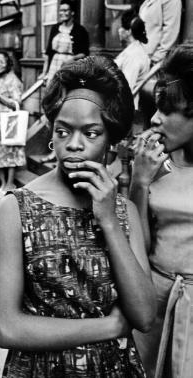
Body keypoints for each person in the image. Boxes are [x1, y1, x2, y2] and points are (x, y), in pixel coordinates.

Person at [0, 55, 156, 377]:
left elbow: (145, 315)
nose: (74, 145)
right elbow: (8, 328)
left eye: (91, 133)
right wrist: (110, 326)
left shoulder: (124, 212)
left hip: (114, 368)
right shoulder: (16, 208)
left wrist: (108, 220)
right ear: (51, 135)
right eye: (63, 131)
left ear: (111, 140)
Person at [129, 44, 193, 378]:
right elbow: (139, 243)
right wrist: (139, 182)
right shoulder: (156, 164)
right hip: (153, 300)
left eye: (168, 110)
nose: (156, 118)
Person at [39, 0, 89, 163]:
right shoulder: (55, 28)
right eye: (61, 11)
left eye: (66, 11)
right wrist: (45, 73)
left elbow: (84, 54)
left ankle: (63, 151)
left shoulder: (80, 30)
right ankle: (53, 150)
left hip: (71, 69)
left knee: (64, 108)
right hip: (55, 67)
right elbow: (48, 53)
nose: (63, 14)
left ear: (72, 13)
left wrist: (70, 60)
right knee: (51, 109)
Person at [0, 50, 26, 194]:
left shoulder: (13, 80)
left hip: (8, 122)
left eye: (1, 61)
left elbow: (17, 103)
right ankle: (3, 183)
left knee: (9, 153)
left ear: (8, 64)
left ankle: (10, 183)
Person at [115, 13, 150, 109]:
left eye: (122, 27)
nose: (119, 30)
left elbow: (126, 88)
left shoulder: (133, 56)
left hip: (127, 110)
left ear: (129, 31)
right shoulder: (133, 50)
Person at [138, 0, 182, 66]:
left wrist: (156, 59)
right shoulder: (148, 1)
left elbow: (170, 33)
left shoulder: (172, 1)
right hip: (143, 57)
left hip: (155, 61)